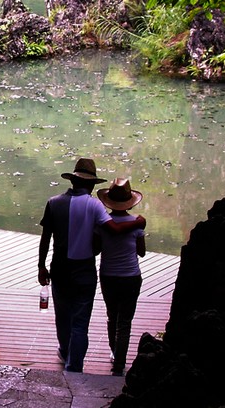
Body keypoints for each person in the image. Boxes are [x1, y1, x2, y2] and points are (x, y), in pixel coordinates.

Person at [37, 158, 145, 373]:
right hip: (84, 269)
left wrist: (41, 266)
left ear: (73, 180)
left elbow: (45, 237)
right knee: (80, 320)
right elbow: (114, 229)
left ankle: (65, 350)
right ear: (92, 184)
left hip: (59, 267)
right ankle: (74, 366)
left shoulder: (53, 202)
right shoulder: (94, 204)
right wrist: (138, 223)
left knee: (63, 315)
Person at [96, 178, 147, 377]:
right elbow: (141, 252)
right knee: (125, 321)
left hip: (109, 276)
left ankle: (114, 352)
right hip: (131, 277)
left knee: (112, 317)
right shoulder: (136, 224)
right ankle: (119, 363)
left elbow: (97, 248)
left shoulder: (102, 223)